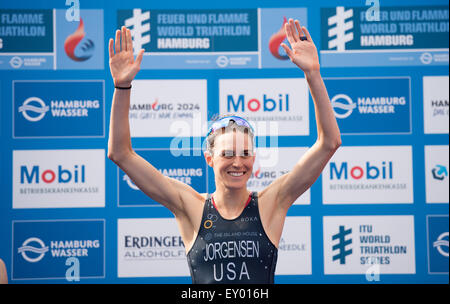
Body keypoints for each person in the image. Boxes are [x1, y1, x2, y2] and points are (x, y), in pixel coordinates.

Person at [108, 19, 341, 284]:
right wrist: (122, 87)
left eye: (245, 153)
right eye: (228, 154)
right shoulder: (190, 206)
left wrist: (313, 74)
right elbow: (120, 153)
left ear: (254, 157)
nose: (238, 163)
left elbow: (329, 143)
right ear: (209, 158)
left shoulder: (271, 202)